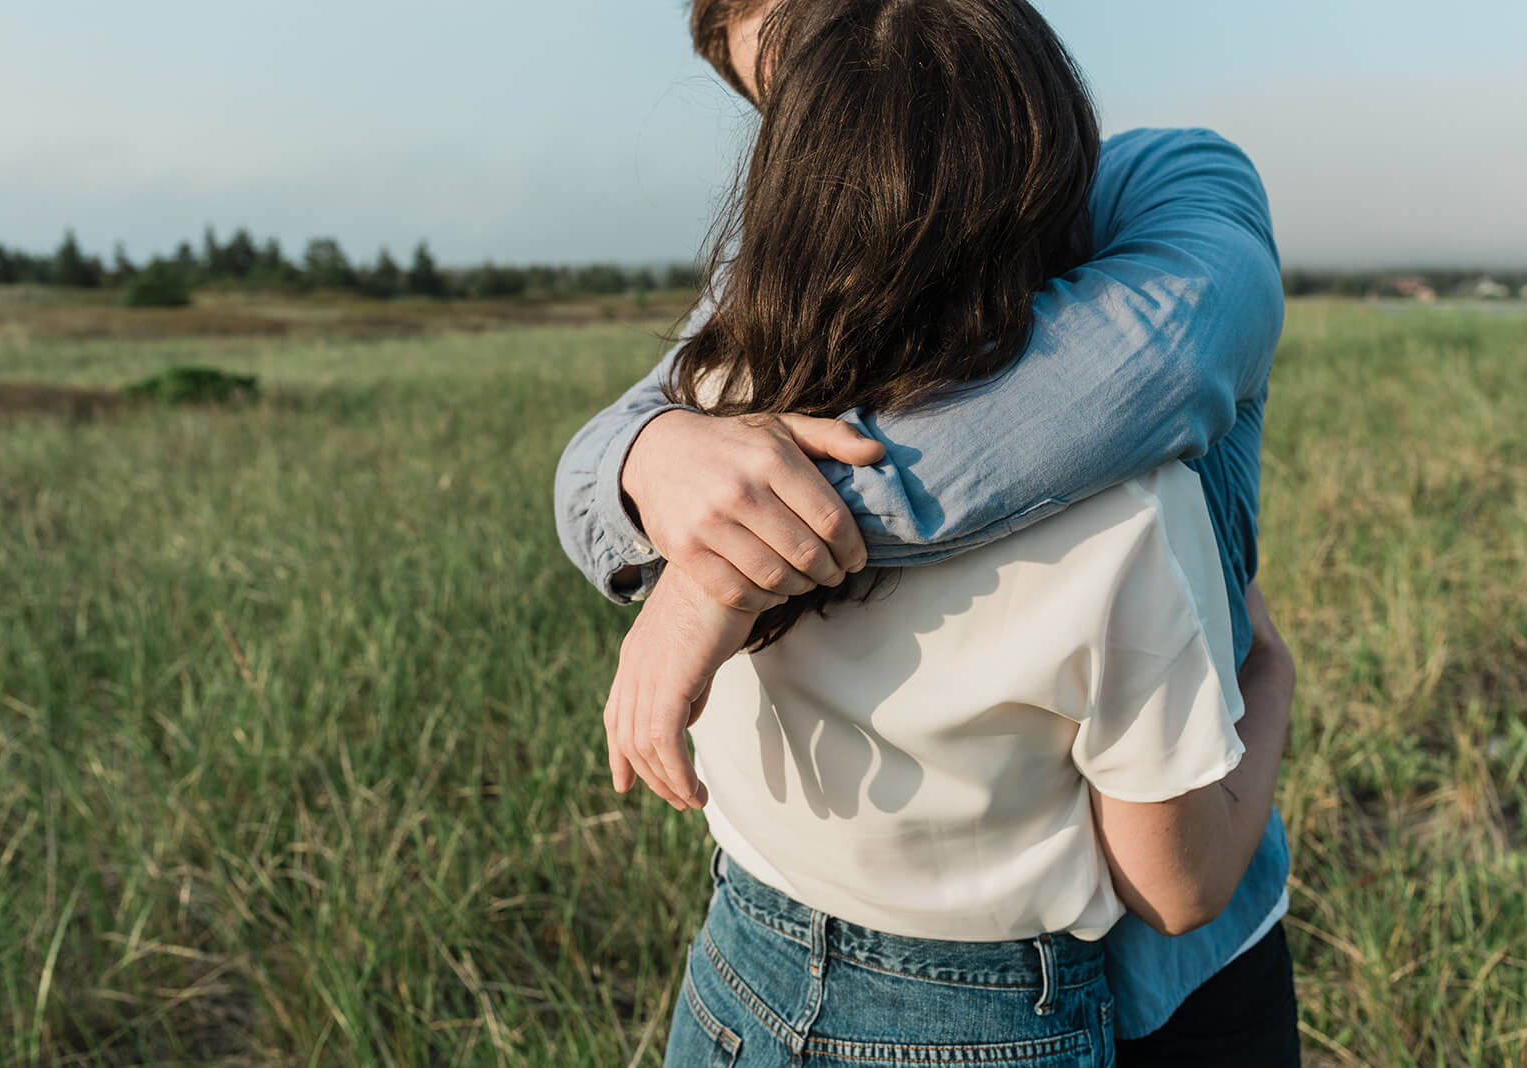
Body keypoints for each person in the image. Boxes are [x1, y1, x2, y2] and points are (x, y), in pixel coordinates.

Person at [555, 0, 1300, 1062]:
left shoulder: (737, 388)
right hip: (989, 989)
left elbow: (1155, 358)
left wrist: (726, 564)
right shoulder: (1131, 525)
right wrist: (646, 460)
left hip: (751, 964)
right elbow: (1174, 885)